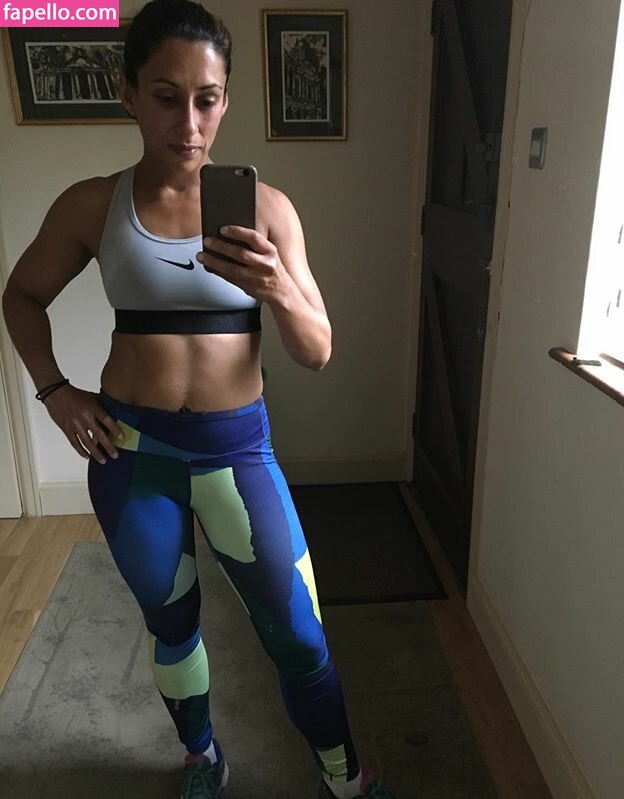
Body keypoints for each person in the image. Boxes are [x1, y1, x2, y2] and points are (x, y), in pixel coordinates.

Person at [1, 2, 398, 798]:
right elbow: (21, 295)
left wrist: (275, 286)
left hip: (236, 451)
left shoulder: (269, 209)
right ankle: (202, 757)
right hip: (132, 454)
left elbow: (317, 349)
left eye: (207, 99)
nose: (189, 123)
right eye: (166, 96)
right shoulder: (92, 204)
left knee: (299, 635)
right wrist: (54, 391)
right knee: (171, 624)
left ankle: (346, 779)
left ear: (225, 100)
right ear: (128, 93)